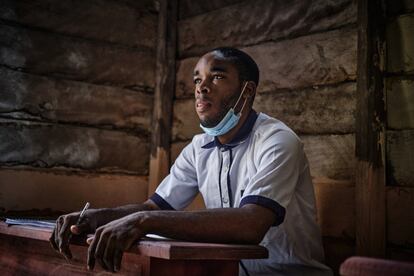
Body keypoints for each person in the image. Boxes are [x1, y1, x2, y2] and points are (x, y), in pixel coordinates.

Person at [50, 47, 332, 276]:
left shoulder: (277, 140)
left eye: (217, 77)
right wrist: (93, 217)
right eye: (198, 79)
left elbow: (251, 224)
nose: (202, 87)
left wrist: (143, 221)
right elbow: (154, 206)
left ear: (247, 92)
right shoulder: (199, 147)